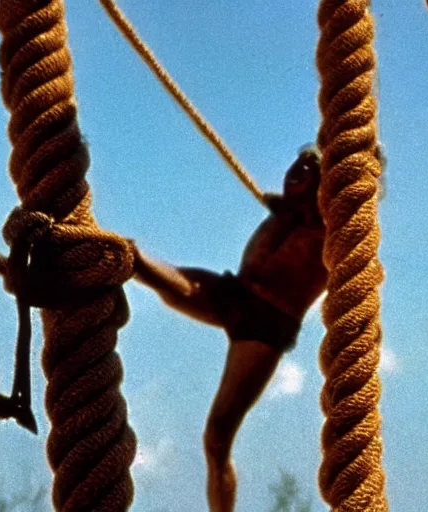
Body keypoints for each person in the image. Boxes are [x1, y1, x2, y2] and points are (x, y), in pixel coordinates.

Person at [132, 144, 330, 512]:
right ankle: (108, 261)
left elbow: (358, 179)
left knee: (218, 436)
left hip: (266, 323)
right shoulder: (284, 212)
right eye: (295, 164)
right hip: (234, 294)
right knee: (141, 265)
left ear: (326, 184)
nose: (295, 172)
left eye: (308, 170)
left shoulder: (332, 227)